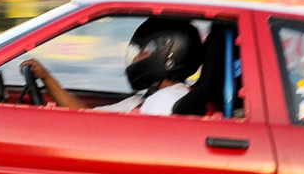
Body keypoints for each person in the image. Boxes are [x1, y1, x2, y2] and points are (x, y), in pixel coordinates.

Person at [21, 17, 204, 115]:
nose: (136, 58)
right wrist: (46, 77)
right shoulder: (151, 97)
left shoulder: (166, 101)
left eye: (144, 51)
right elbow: (86, 116)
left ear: (168, 53)